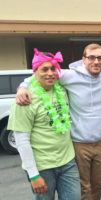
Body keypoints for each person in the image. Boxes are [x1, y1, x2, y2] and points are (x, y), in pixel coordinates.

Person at [16, 43, 101, 200]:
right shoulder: (70, 75)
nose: (96, 61)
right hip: (78, 144)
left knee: (98, 185)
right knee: (84, 187)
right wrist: (22, 87)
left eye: (100, 58)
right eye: (91, 57)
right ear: (83, 59)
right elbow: (41, 73)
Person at [7, 49, 81, 200]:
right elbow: (21, 141)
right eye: (44, 69)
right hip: (43, 167)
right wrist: (34, 175)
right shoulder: (25, 99)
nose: (50, 73)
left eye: (53, 68)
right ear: (35, 72)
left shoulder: (61, 89)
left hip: (68, 162)